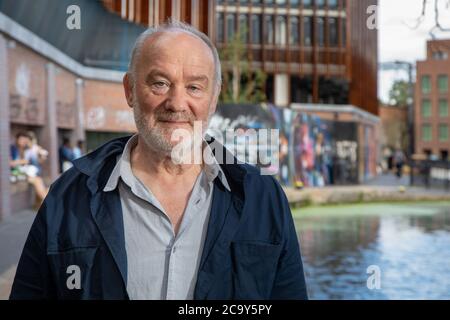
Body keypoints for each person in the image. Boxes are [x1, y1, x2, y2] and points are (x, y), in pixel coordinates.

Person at [10, 21, 307, 300]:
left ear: (214, 98)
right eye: (160, 83)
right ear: (130, 91)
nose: (177, 103)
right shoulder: (68, 197)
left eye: (194, 87)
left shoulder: (263, 198)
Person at [9, 131, 48, 205]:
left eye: (25, 141)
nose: (24, 142)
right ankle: (47, 201)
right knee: (37, 180)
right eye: (22, 140)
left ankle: (45, 200)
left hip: (23, 173)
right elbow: (9, 163)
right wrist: (22, 161)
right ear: (17, 139)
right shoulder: (12, 149)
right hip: (14, 174)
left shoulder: (25, 150)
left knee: (38, 180)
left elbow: (39, 160)